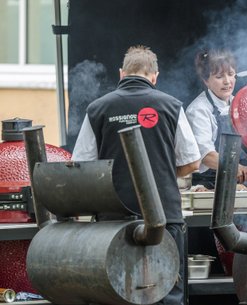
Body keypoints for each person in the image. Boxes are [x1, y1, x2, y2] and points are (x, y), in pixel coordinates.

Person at [72, 45, 201, 305]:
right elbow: (193, 162)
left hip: (112, 220)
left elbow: (81, 166)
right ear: (154, 76)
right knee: (167, 293)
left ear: (121, 73)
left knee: (117, 292)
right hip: (165, 218)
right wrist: (162, 174)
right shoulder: (171, 106)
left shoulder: (97, 109)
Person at [185, 49, 247, 189]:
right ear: (206, 81)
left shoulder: (240, 105)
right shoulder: (198, 110)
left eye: (231, 74)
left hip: (239, 183)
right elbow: (206, 156)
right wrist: (235, 167)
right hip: (208, 185)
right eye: (219, 76)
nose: (227, 82)